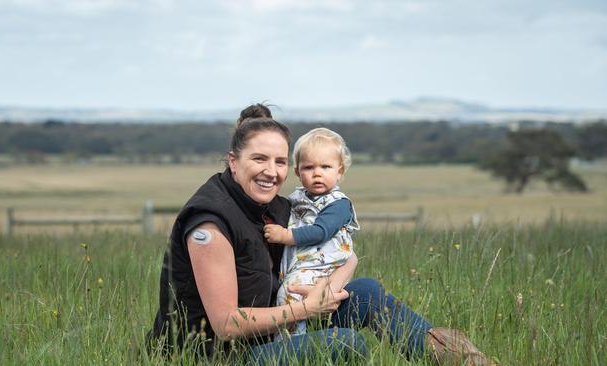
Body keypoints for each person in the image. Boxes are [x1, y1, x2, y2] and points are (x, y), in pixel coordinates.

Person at [148, 103, 497, 365]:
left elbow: (347, 252)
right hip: (217, 358)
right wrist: (307, 308)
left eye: (280, 161)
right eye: (259, 159)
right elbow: (226, 324)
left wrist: (326, 287)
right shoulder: (209, 223)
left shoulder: (274, 207)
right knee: (345, 342)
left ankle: (463, 360)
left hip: (268, 336)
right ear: (233, 161)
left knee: (365, 292)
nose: (271, 172)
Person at [263, 127, 359, 339]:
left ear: (340, 171)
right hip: (301, 261)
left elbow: (320, 232)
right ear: (297, 172)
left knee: (290, 294)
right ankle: (296, 335)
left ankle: (291, 346)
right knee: (287, 294)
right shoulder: (296, 198)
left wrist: (284, 236)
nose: (317, 173)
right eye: (309, 167)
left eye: (326, 167)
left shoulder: (338, 204)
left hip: (322, 263)